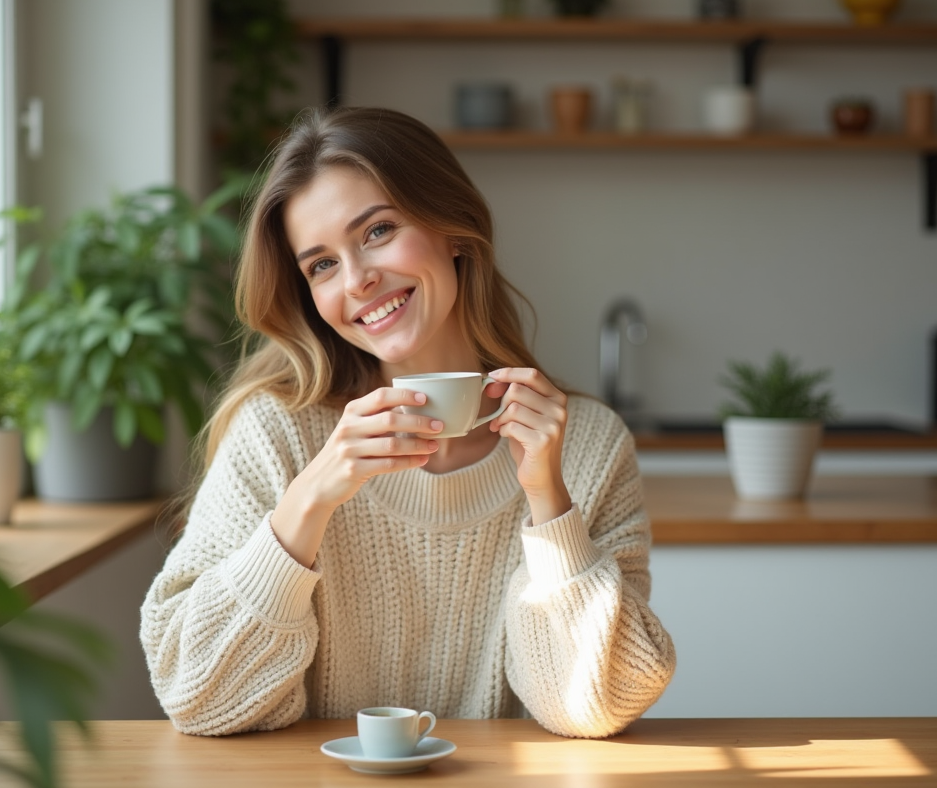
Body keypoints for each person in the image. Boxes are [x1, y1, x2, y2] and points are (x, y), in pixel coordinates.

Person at [139, 106, 675, 740]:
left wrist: (549, 506)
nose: (358, 280)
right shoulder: (276, 433)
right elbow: (197, 696)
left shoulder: (586, 444)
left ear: (454, 229)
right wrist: (308, 501)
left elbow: (599, 705)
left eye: (378, 230)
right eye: (321, 265)